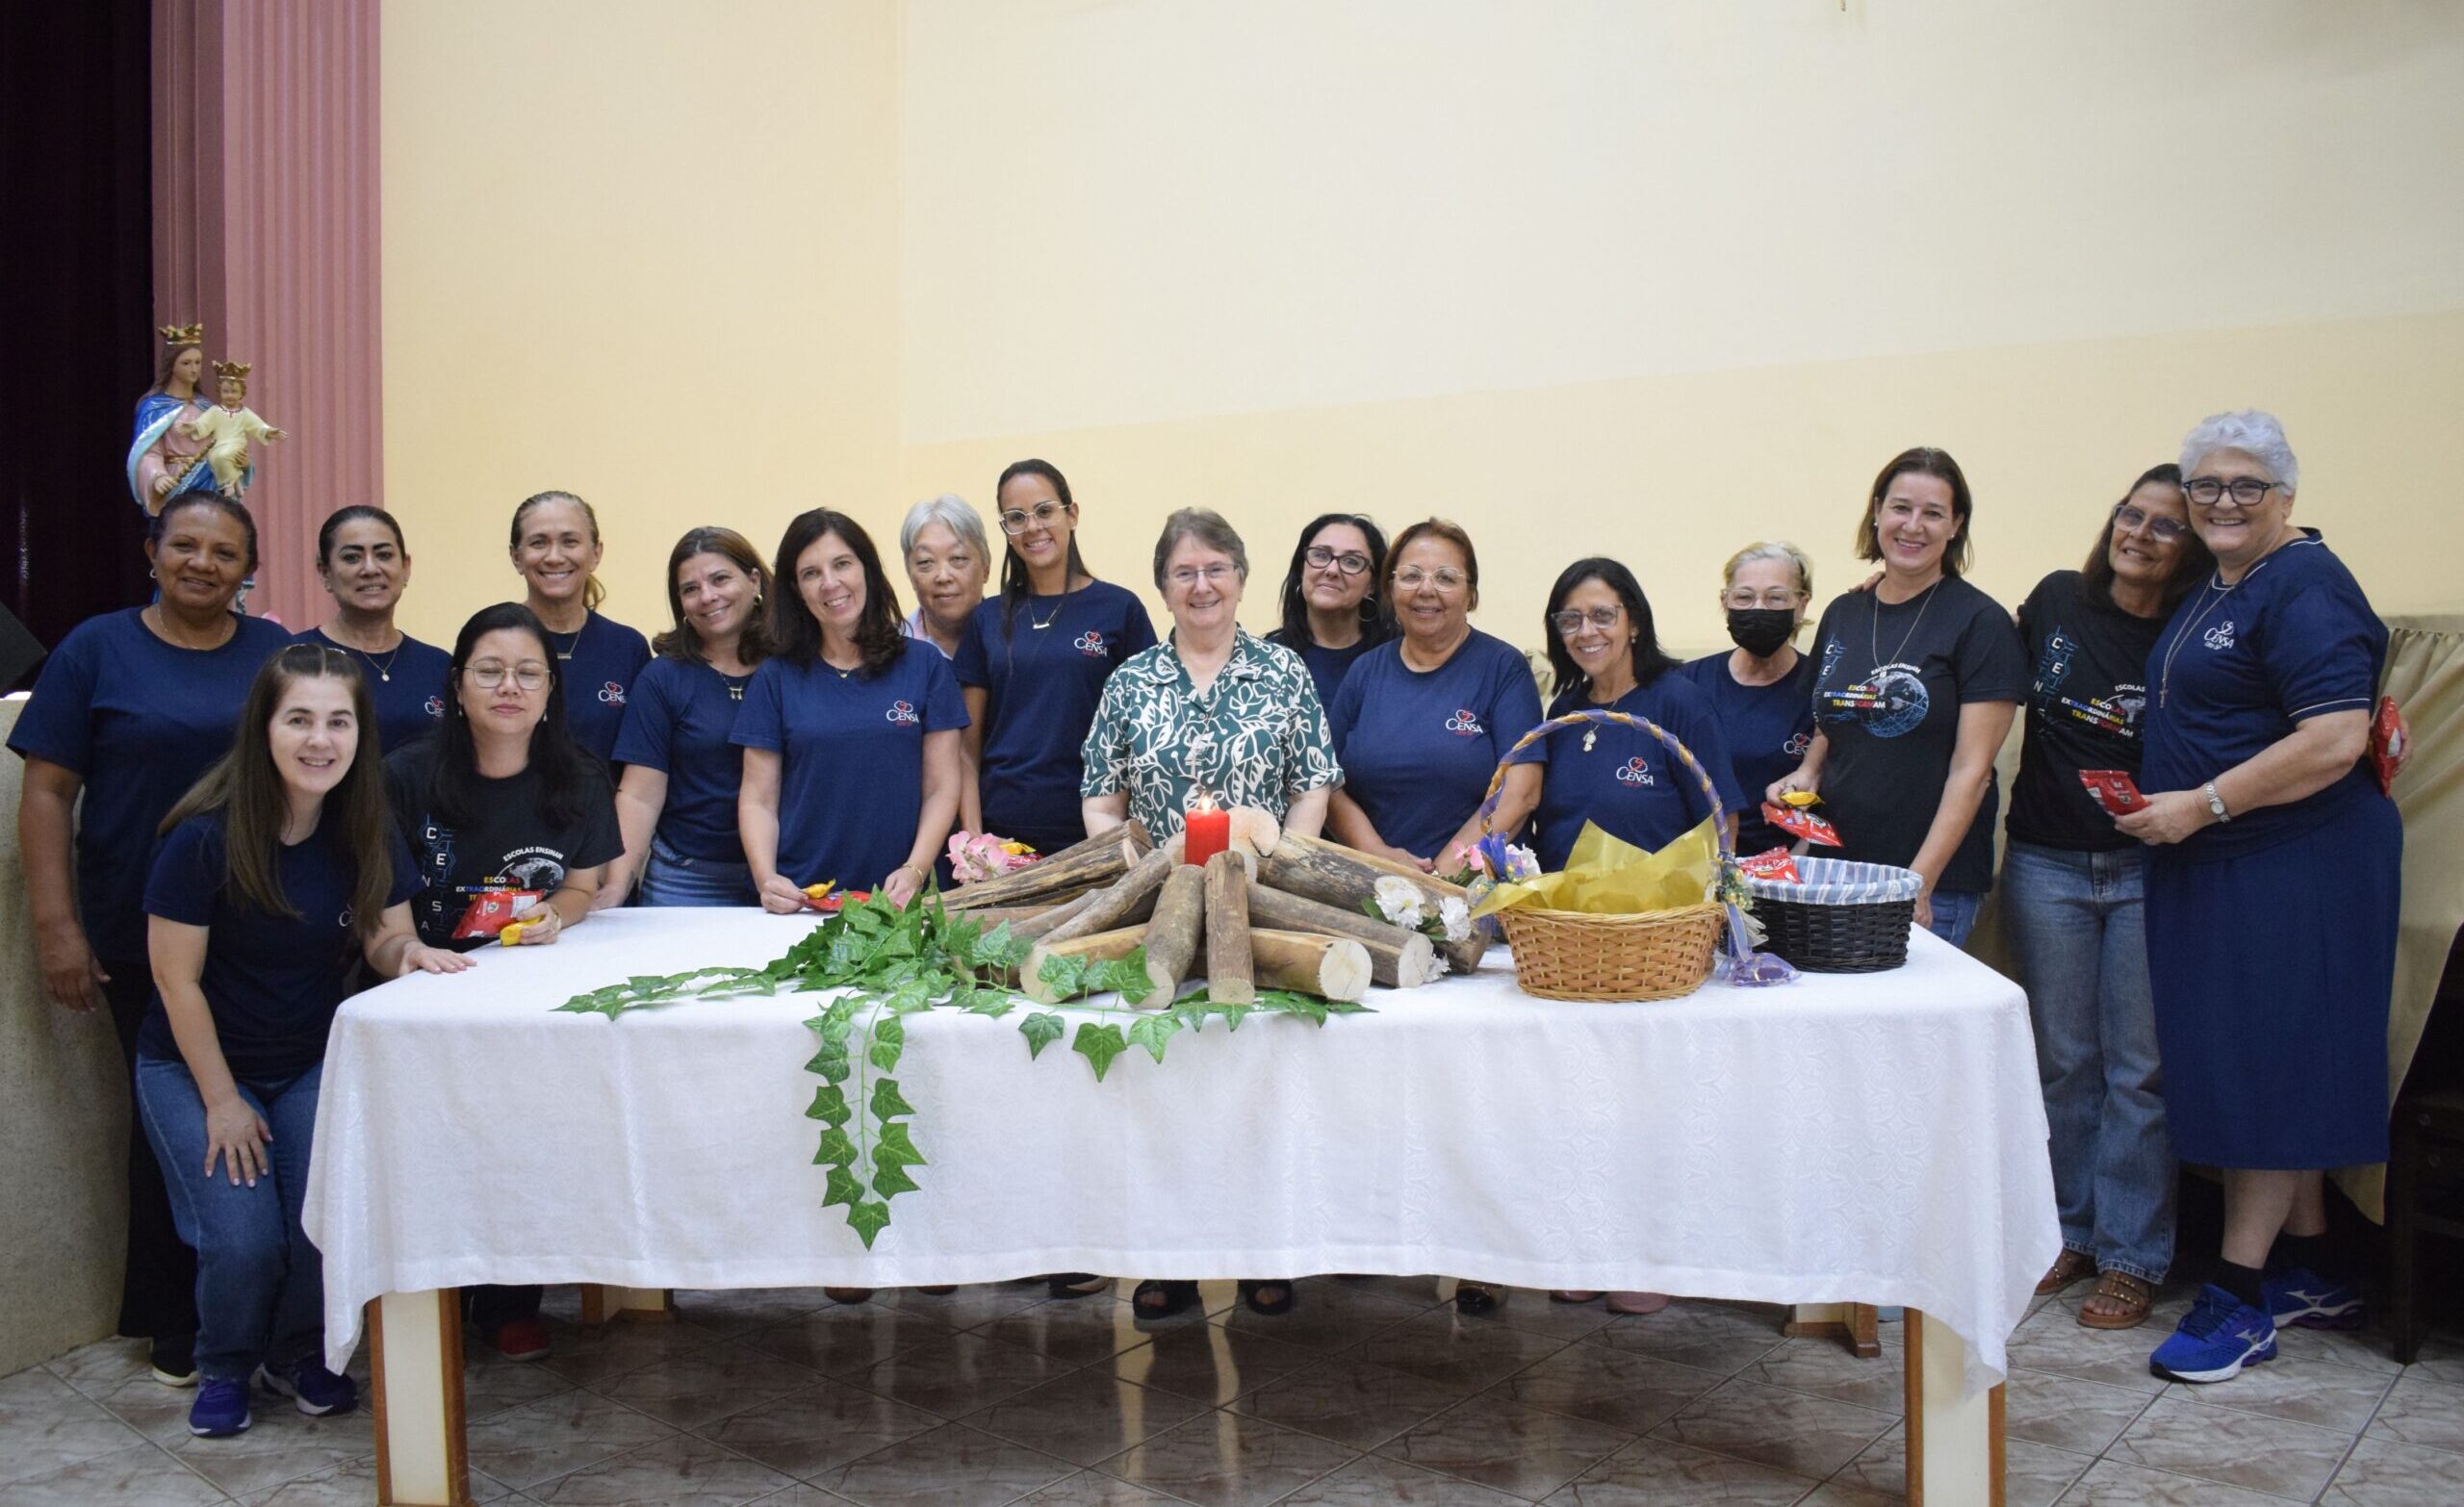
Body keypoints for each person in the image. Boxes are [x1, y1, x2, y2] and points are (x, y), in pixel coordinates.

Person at [2118, 413, 2401, 1385]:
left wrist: (2201, 804)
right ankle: (2314, 1267)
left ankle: (2238, 1297)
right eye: (2204, 487)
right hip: (2225, 861)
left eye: (2244, 485)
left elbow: (2334, 738)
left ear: (2285, 493)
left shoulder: (2308, 584)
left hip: (2294, 864)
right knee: (2258, 1057)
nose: (2221, 503)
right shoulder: (2220, 583)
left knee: (2268, 1069)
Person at [136, 646, 471, 1437]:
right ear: (264, 728)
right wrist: (221, 1102)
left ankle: (294, 1354)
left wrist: (410, 955)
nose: (319, 740)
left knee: (325, 1217)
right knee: (244, 1239)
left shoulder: (365, 825)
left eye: (338, 722)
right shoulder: (204, 838)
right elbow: (176, 982)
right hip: (197, 1066)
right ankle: (223, 1364)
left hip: (312, 1059)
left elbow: (387, 940)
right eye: (299, 720)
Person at [9, 495, 291, 1386]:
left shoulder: (272, 653)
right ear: (152, 552)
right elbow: (48, 794)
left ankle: (265, 1313)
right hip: (139, 935)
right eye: (186, 546)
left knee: (270, 1116)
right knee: (169, 1130)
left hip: (258, 933)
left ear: (249, 566)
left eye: (224, 551)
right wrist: (57, 926)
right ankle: (174, 1315)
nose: (203, 563)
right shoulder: (96, 649)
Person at [386, 602, 623, 1361]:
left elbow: (584, 888)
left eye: (529, 673)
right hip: (425, 994)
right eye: (490, 671)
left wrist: (556, 916)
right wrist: (402, 955)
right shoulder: (405, 775)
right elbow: (373, 905)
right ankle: (432, 1297)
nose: (509, 687)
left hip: (523, 998)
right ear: (458, 686)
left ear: (550, 691)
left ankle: (509, 1298)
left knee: (522, 1139)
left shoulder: (580, 776)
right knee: (431, 1147)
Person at [2006, 466, 2212, 1333]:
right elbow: (1970, 661)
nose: (2139, 534)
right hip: (2045, 863)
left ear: (2191, 548)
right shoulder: (2055, 600)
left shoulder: (2197, 631)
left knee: (2141, 1070)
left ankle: (2132, 1255)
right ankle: (2068, 1232)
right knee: (2063, 1059)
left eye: (2166, 526)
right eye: (2131, 515)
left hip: (2147, 871)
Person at [1772, 447, 2025, 948]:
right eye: (1901, 508)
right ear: (1877, 512)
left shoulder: (1981, 623)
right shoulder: (1844, 612)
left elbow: (1972, 774)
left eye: (1933, 513)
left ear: (1956, 526)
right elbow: (1832, 723)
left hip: (1930, 885)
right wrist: (1807, 774)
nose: (1913, 526)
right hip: (1835, 871)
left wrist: (1918, 883)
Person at [736, 508, 965, 912]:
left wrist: (915, 869)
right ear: (796, 590)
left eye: (842, 564)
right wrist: (766, 878)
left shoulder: (925, 665)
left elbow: (943, 787)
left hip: (905, 901)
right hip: (806, 900)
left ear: (868, 570)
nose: (830, 583)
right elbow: (758, 798)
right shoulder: (776, 678)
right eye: (811, 573)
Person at [1082, 507, 1342, 842]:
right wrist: (1136, 880)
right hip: (1154, 889)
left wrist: (1279, 876)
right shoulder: (1128, 683)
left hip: (1260, 888)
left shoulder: (1284, 671)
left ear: (1240, 580)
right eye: (1185, 574)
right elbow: (1102, 806)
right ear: (1163, 592)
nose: (1202, 586)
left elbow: (1310, 793)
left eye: (1216, 569)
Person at [955, 460, 1155, 855]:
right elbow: (966, 746)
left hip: (1095, 830)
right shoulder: (986, 619)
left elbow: (1146, 732)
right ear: (1005, 530)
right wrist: (976, 838)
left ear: (1072, 514)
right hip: (1003, 837)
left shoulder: (1120, 609)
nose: (1032, 527)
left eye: (1044, 511)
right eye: (1016, 517)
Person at [1325, 519, 1543, 874]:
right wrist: (1378, 855)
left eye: (1445, 578)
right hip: (1372, 890)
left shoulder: (1504, 669)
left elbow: (1521, 793)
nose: (1426, 590)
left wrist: (1442, 877)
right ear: (1390, 589)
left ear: (1470, 594)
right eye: (1411, 576)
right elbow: (1326, 783)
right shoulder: (1364, 672)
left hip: (1475, 894)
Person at [1523, 558, 1743, 870]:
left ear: (1635, 622)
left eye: (1602, 616)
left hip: (1656, 916)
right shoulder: (1564, 712)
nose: (1585, 631)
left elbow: (1722, 828)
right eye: (1570, 620)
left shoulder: (1680, 704)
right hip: (1560, 915)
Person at [598, 528, 771, 907]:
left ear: (754, 579)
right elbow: (641, 794)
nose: (707, 596)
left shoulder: (792, 667)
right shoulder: (664, 677)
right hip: (686, 879)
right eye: (690, 589)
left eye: (720, 579)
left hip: (785, 874)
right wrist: (616, 886)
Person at [1677, 543, 1819, 858]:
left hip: (1790, 876)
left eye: (1775, 597)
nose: (1759, 609)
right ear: (1725, 602)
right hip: (1698, 871)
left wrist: (1796, 865)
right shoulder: (1687, 684)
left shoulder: (1821, 688)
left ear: (1801, 604)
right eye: (1744, 597)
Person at [508, 490, 652, 768]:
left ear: (596, 553)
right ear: (516, 556)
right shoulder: (491, 641)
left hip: (608, 810)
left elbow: (641, 763)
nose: (554, 557)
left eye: (570, 542)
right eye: (538, 543)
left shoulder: (628, 647)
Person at [295, 506, 452, 752]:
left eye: (384, 555)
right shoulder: (295, 660)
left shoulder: (440, 665)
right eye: (351, 558)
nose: (370, 569)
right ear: (324, 572)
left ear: (406, 567)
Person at [1263, 513, 1393, 712]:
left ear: (1372, 584)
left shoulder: (1396, 658)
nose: (1332, 570)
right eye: (1320, 555)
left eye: (1351, 561)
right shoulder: (1266, 660)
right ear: (1302, 570)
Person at [130, 322, 218, 515]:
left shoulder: (206, 407)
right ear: (172, 366)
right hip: (175, 481)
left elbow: (222, 443)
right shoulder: (155, 408)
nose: (194, 369)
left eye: (198, 362)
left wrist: (240, 461)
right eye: (186, 363)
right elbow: (148, 453)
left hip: (208, 482)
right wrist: (157, 477)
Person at [898, 494, 991, 659]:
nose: (943, 576)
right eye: (926, 562)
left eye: (958, 558)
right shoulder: (891, 651)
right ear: (910, 574)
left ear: (986, 567)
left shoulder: (1015, 642)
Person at [182, 361, 286, 497]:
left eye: (234, 392)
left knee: (223, 455)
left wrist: (270, 431)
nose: (230, 396)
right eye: (226, 392)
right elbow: (204, 424)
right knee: (215, 457)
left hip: (236, 446)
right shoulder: (215, 411)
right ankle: (234, 481)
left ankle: (229, 484)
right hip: (218, 446)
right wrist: (193, 426)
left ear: (241, 393)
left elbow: (258, 426)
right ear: (220, 392)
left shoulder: (244, 413)